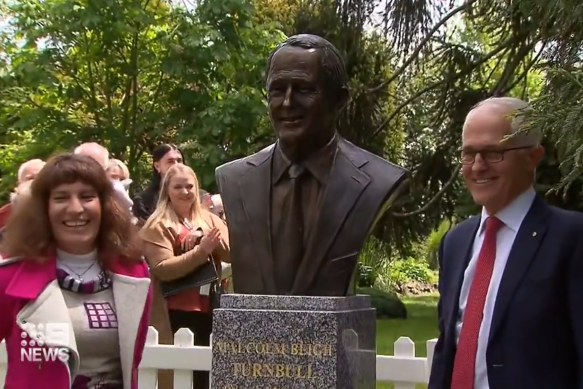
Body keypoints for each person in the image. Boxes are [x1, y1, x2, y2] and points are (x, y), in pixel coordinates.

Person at [215, 34, 408, 296]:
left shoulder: (377, 180)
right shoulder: (235, 179)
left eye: (304, 89)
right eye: (277, 90)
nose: (287, 103)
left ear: (339, 100)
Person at [428, 97, 583, 389]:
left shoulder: (571, 239)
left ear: (533, 156)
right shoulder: (455, 243)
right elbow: (448, 349)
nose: (477, 166)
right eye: (468, 153)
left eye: (492, 153)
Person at [0, 153, 152, 389]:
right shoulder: (9, 278)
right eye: (61, 198)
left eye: (87, 196)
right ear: (44, 209)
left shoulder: (134, 274)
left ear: (104, 205)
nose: (76, 208)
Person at [140, 164, 229, 389]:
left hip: (211, 307)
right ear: (166, 189)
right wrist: (201, 253)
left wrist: (203, 236)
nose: (185, 191)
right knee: (181, 377)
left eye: (189, 186)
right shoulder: (158, 224)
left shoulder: (208, 219)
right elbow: (162, 268)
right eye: (178, 186)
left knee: (208, 377)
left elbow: (232, 251)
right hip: (175, 312)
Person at [132, 144, 184, 225]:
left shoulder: (199, 196)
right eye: (170, 161)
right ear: (157, 166)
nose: (176, 165)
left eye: (179, 160)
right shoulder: (143, 201)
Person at [0, 158, 46, 229]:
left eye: (40, 178)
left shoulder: (60, 210)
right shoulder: (2, 216)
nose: (36, 183)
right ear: (19, 184)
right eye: (30, 178)